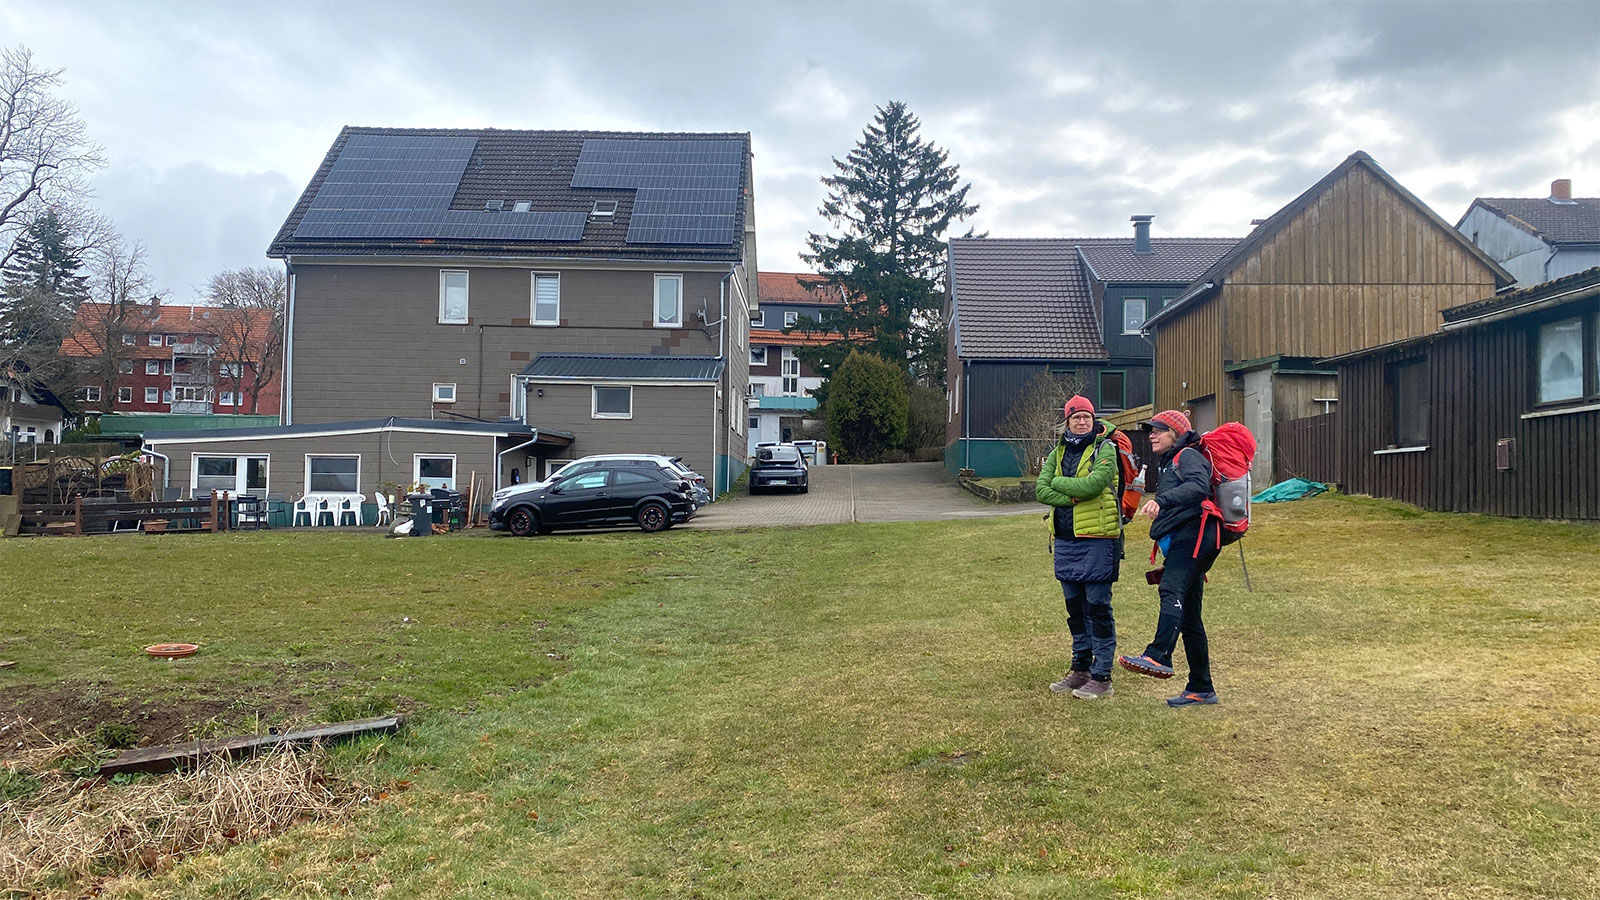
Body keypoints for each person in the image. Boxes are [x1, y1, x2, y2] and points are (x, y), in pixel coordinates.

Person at [1118, 409, 1222, 707]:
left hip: (1195, 536)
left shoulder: (1187, 456)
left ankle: (1158, 654)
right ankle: (1201, 687)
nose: (1152, 434)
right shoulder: (1171, 461)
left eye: (1159, 429)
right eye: (1151, 429)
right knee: (1190, 619)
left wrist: (1161, 502)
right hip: (1189, 538)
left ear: (1175, 433)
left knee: (1170, 589)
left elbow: (1199, 487)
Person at [1036, 395, 1123, 700]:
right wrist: (1072, 497)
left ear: (1094, 419)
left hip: (1099, 539)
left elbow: (1094, 485)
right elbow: (1040, 490)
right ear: (1068, 421)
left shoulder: (1105, 449)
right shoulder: (1056, 453)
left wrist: (1060, 485)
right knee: (1075, 608)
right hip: (1064, 539)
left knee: (1098, 606)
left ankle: (1102, 675)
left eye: (1087, 416)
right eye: (1076, 417)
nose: (1082, 421)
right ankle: (1080, 668)